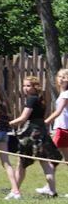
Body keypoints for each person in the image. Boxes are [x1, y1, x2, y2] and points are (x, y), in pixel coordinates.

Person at [9, 76, 61, 196]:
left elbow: (24, 117)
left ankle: (15, 191)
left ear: (35, 87)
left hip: (32, 134)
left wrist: (10, 123)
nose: (25, 88)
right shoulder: (40, 99)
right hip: (41, 132)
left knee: (21, 162)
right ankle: (52, 190)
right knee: (44, 163)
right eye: (24, 86)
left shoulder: (31, 99)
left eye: (28, 86)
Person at [41, 68, 68, 196]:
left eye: (65, 76)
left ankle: (49, 187)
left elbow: (58, 112)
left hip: (62, 130)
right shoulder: (63, 94)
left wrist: (45, 122)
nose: (61, 79)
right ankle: (49, 186)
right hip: (62, 129)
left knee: (52, 157)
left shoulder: (65, 95)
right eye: (60, 76)